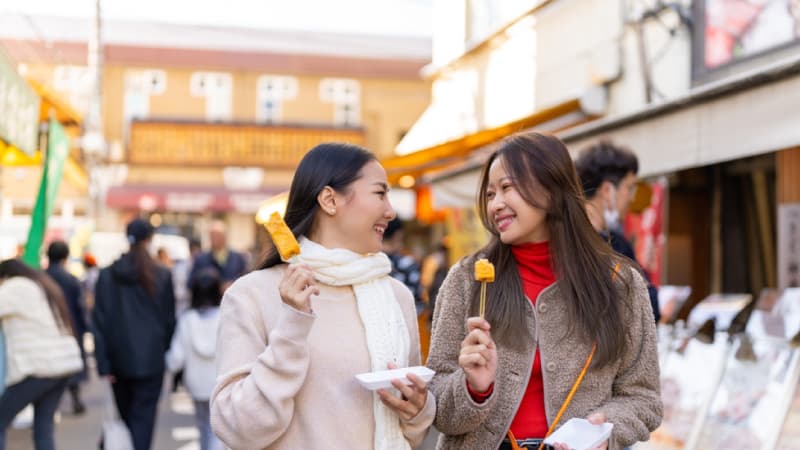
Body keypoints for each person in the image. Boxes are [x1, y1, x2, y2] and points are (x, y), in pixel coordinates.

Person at [426, 132, 662, 450]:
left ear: (553, 189)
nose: (496, 204)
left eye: (507, 188)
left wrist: (606, 431)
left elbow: (644, 398)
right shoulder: (467, 280)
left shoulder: (620, 284)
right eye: (491, 193)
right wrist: (472, 388)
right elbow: (437, 402)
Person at [210, 143, 435, 449]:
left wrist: (418, 410)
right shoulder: (252, 294)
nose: (390, 211)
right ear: (330, 199)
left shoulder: (396, 297)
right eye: (380, 193)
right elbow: (238, 428)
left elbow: (413, 433)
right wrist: (292, 326)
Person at [93, 218, 176, 450]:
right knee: (144, 421)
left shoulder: (107, 275)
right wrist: (163, 348)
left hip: (118, 361)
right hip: (151, 360)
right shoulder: (161, 274)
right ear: (149, 239)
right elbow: (170, 320)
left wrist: (104, 363)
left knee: (127, 419)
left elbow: (99, 321)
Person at [0, 259, 83, 450]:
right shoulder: (42, 284)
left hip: (38, 367)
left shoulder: (15, 287)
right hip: (62, 366)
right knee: (43, 429)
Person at [574, 140, 661, 323]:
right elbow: (651, 305)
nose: (631, 198)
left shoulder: (567, 239)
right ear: (607, 190)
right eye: (629, 188)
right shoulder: (616, 247)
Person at [166, 267, 223, 450]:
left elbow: (177, 357)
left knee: (202, 425)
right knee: (219, 428)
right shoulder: (226, 316)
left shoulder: (187, 319)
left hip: (196, 384)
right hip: (220, 382)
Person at [45, 240, 89, 415]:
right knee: (71, 367)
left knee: (49, 369)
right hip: (70, 329)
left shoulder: (41, 278)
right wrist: (85, 328)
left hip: (46, 330)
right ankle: (76, 400)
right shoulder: (71, 280)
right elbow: (80, 308)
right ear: (65, 257)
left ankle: (50, 406)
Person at [189, 220, 247, 292]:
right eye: (211, 235)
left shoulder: (238, 258)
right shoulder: (200, 258)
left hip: (231, 299)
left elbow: (245, 279)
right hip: (208, 300)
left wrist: (232, 284)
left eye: (217, 235)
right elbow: (190, 283)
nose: (214, 238)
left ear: (225, 236)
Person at [382, 218, 423, 311]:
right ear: (398, 235)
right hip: (403, 320)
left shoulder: (368, 263)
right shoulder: (406, 264)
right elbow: (417, 300)